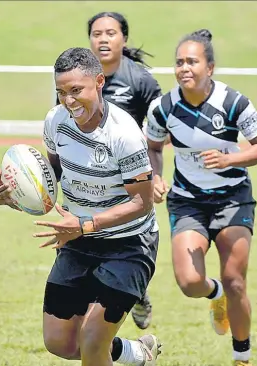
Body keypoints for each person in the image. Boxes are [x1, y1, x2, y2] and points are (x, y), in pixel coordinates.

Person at [0, 48, 162, 366]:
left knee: (92, 339)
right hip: (76, 238)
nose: (69, 101)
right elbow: (51, 174)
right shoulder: (55, 121)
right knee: (59, 343)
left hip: (128, 243)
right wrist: (14, 194)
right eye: (61, 92)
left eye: (76, 90)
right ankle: (137, 355)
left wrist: (85, 223)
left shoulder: (124, 134)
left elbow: (142, 201)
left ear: (99, 82)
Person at [145, 29, 257, 366]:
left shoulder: (234, 102)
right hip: (188, 201)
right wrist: (156, 177)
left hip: (233, 200)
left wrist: (229, 159)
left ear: (210, 67)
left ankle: (242, 357)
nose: (184, 67)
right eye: (179, 62)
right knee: (190, 283)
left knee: (236, 281)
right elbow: (154, 148)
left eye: (192, 61)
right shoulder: (163, 108)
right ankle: (214, 295)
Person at [85, 11, 165, 330]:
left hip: (130, 181)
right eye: (96, 34)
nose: (103, 39)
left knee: (128, 238)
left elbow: (159, 131)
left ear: (124, 39)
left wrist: (155, 175)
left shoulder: (141, 81)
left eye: (110, 33)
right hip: (89, 177)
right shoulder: (80, 76)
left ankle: (138, 289)